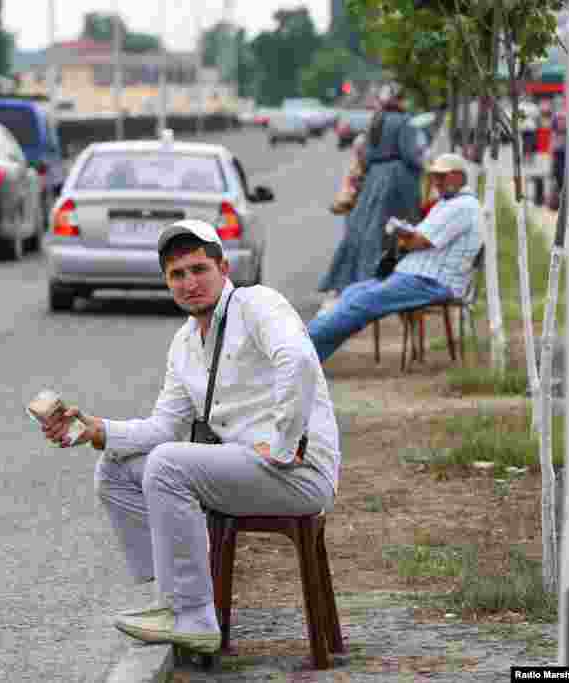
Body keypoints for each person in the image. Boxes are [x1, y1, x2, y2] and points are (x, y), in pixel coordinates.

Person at [37, 219, 341, 654]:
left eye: (199, 269)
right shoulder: (184, 344)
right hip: (246, 467)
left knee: (167, 464)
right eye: (178, 274)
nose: (190, 283)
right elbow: (163, 427)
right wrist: (97, 429)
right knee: (117, 468)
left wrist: (282, 444)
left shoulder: (257, 303)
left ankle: (194, 616)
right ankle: (170, 599)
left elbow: (298, 360)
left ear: (223, 269)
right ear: (166, 282)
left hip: (299, 470)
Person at [307, 152, 482, 363]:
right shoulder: (448, 203)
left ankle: (301, 349)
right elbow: (420, 237)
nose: (436, 182)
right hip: (417, 275)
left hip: (430, 281)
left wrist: (403, 235)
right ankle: (310, 355)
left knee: (360, 302)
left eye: (441, 176)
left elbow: (420, 241)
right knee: (352, 294)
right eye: (435, 176)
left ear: (457, 177)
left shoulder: (462, 206)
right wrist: (406, 235)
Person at [318, 83, 428, 297]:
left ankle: (353, 279)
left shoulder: (375, 121)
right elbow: (409, 154)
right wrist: (423, 167)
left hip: (374, 179)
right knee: (396, 231)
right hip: (398, 181)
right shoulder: (404, 122)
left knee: (364, 229)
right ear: (400, 100)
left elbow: (366, 155)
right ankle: (387, 280)